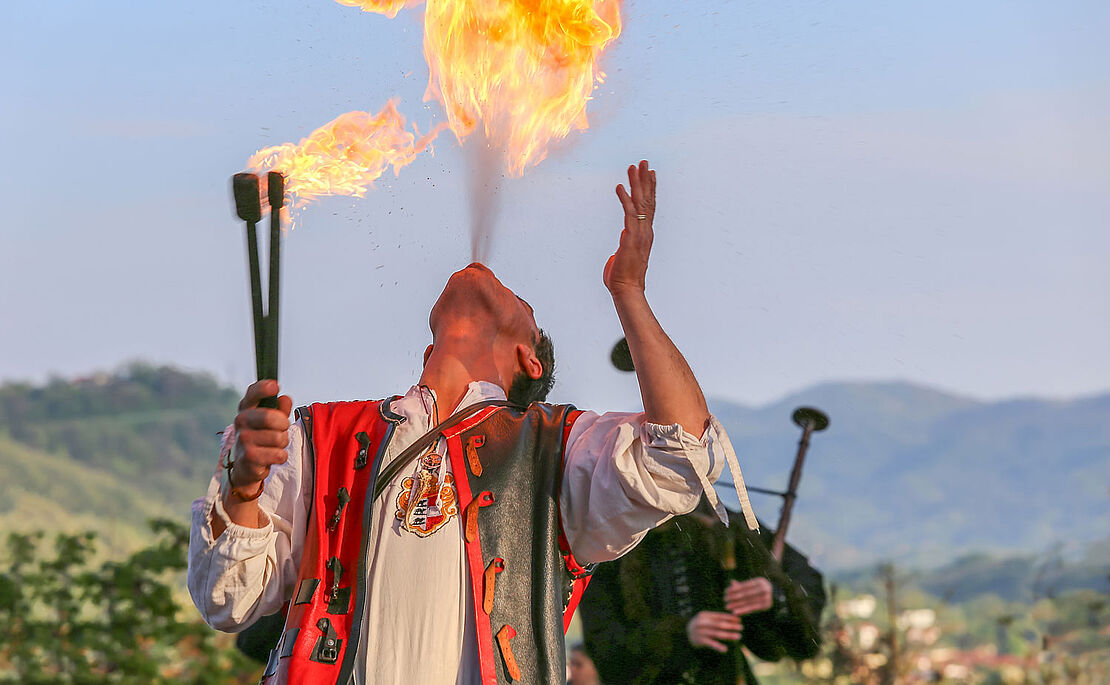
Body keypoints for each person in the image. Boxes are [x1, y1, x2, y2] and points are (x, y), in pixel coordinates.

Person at [187, 160, 758, 685]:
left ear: (528, 360)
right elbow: (228, 599)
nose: (488, 273)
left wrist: (628, 291)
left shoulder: (555, 451)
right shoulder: (321, 435)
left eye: (524, 305)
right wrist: (244, 487)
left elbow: (679, 454)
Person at [579, 497, 826, 685]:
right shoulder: (608, 545)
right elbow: (605, 648)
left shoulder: (723, 526)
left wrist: (776, 594)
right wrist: (681, 634)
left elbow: (808, 586)